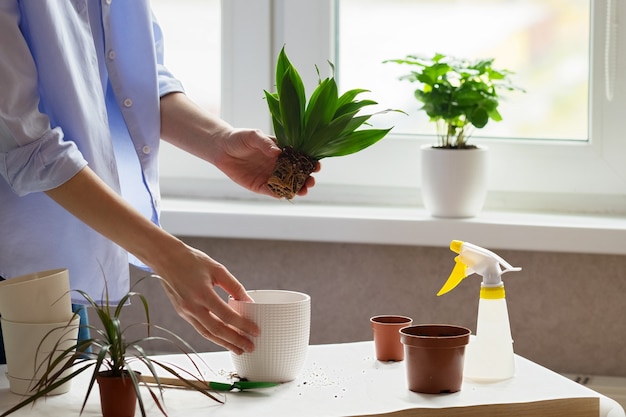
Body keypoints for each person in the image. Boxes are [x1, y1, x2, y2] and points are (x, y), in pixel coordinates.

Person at [0, 1, 317, 358]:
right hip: (12, 264)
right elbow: (25, 146)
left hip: (56, 268)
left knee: (59, 407)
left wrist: (219, 142)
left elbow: (134, 78)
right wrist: (168, 257)